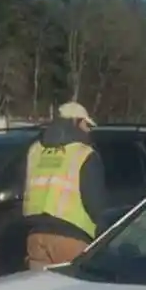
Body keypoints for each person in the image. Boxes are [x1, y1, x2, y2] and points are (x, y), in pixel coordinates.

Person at [22, 101, 109, 269]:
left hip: (36, 236)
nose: (88, 130)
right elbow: (95, 204)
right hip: (72, 238)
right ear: (75, 122)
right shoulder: (84, 154)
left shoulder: (35, 150)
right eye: (86, 124)